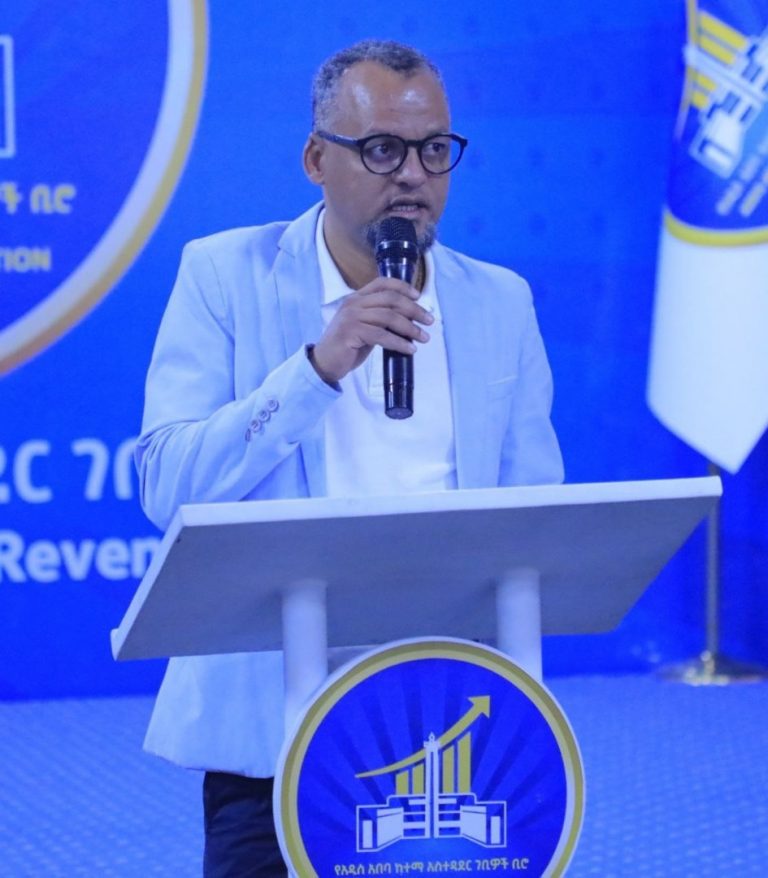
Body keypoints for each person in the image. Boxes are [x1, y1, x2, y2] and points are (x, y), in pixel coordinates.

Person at [135, 39, 563, 877]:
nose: (413, 176)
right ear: (315, 160)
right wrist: (314, 371)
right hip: (274, 733)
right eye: (382, 150)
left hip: (447, 722)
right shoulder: (224, 276)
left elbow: (531, 516)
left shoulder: (501, 302)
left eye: (434, 149)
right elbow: (167, 484)